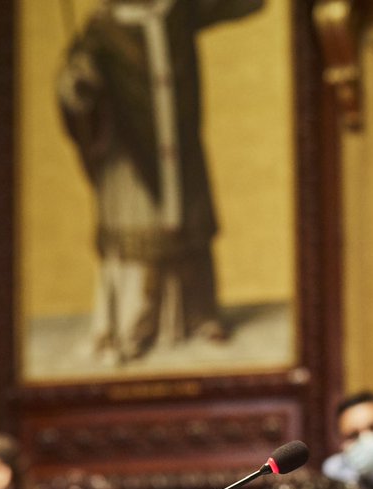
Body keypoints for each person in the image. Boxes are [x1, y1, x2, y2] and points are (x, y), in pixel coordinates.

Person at [56, 0, 264, 364]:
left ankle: (198, 315)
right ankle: (133, 326)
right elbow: (74, 87)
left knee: (189, 225)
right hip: (128, 152)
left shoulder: (178, 10)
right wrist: (78, 85)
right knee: (138, 234)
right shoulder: (103, 28)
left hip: (178, 141)